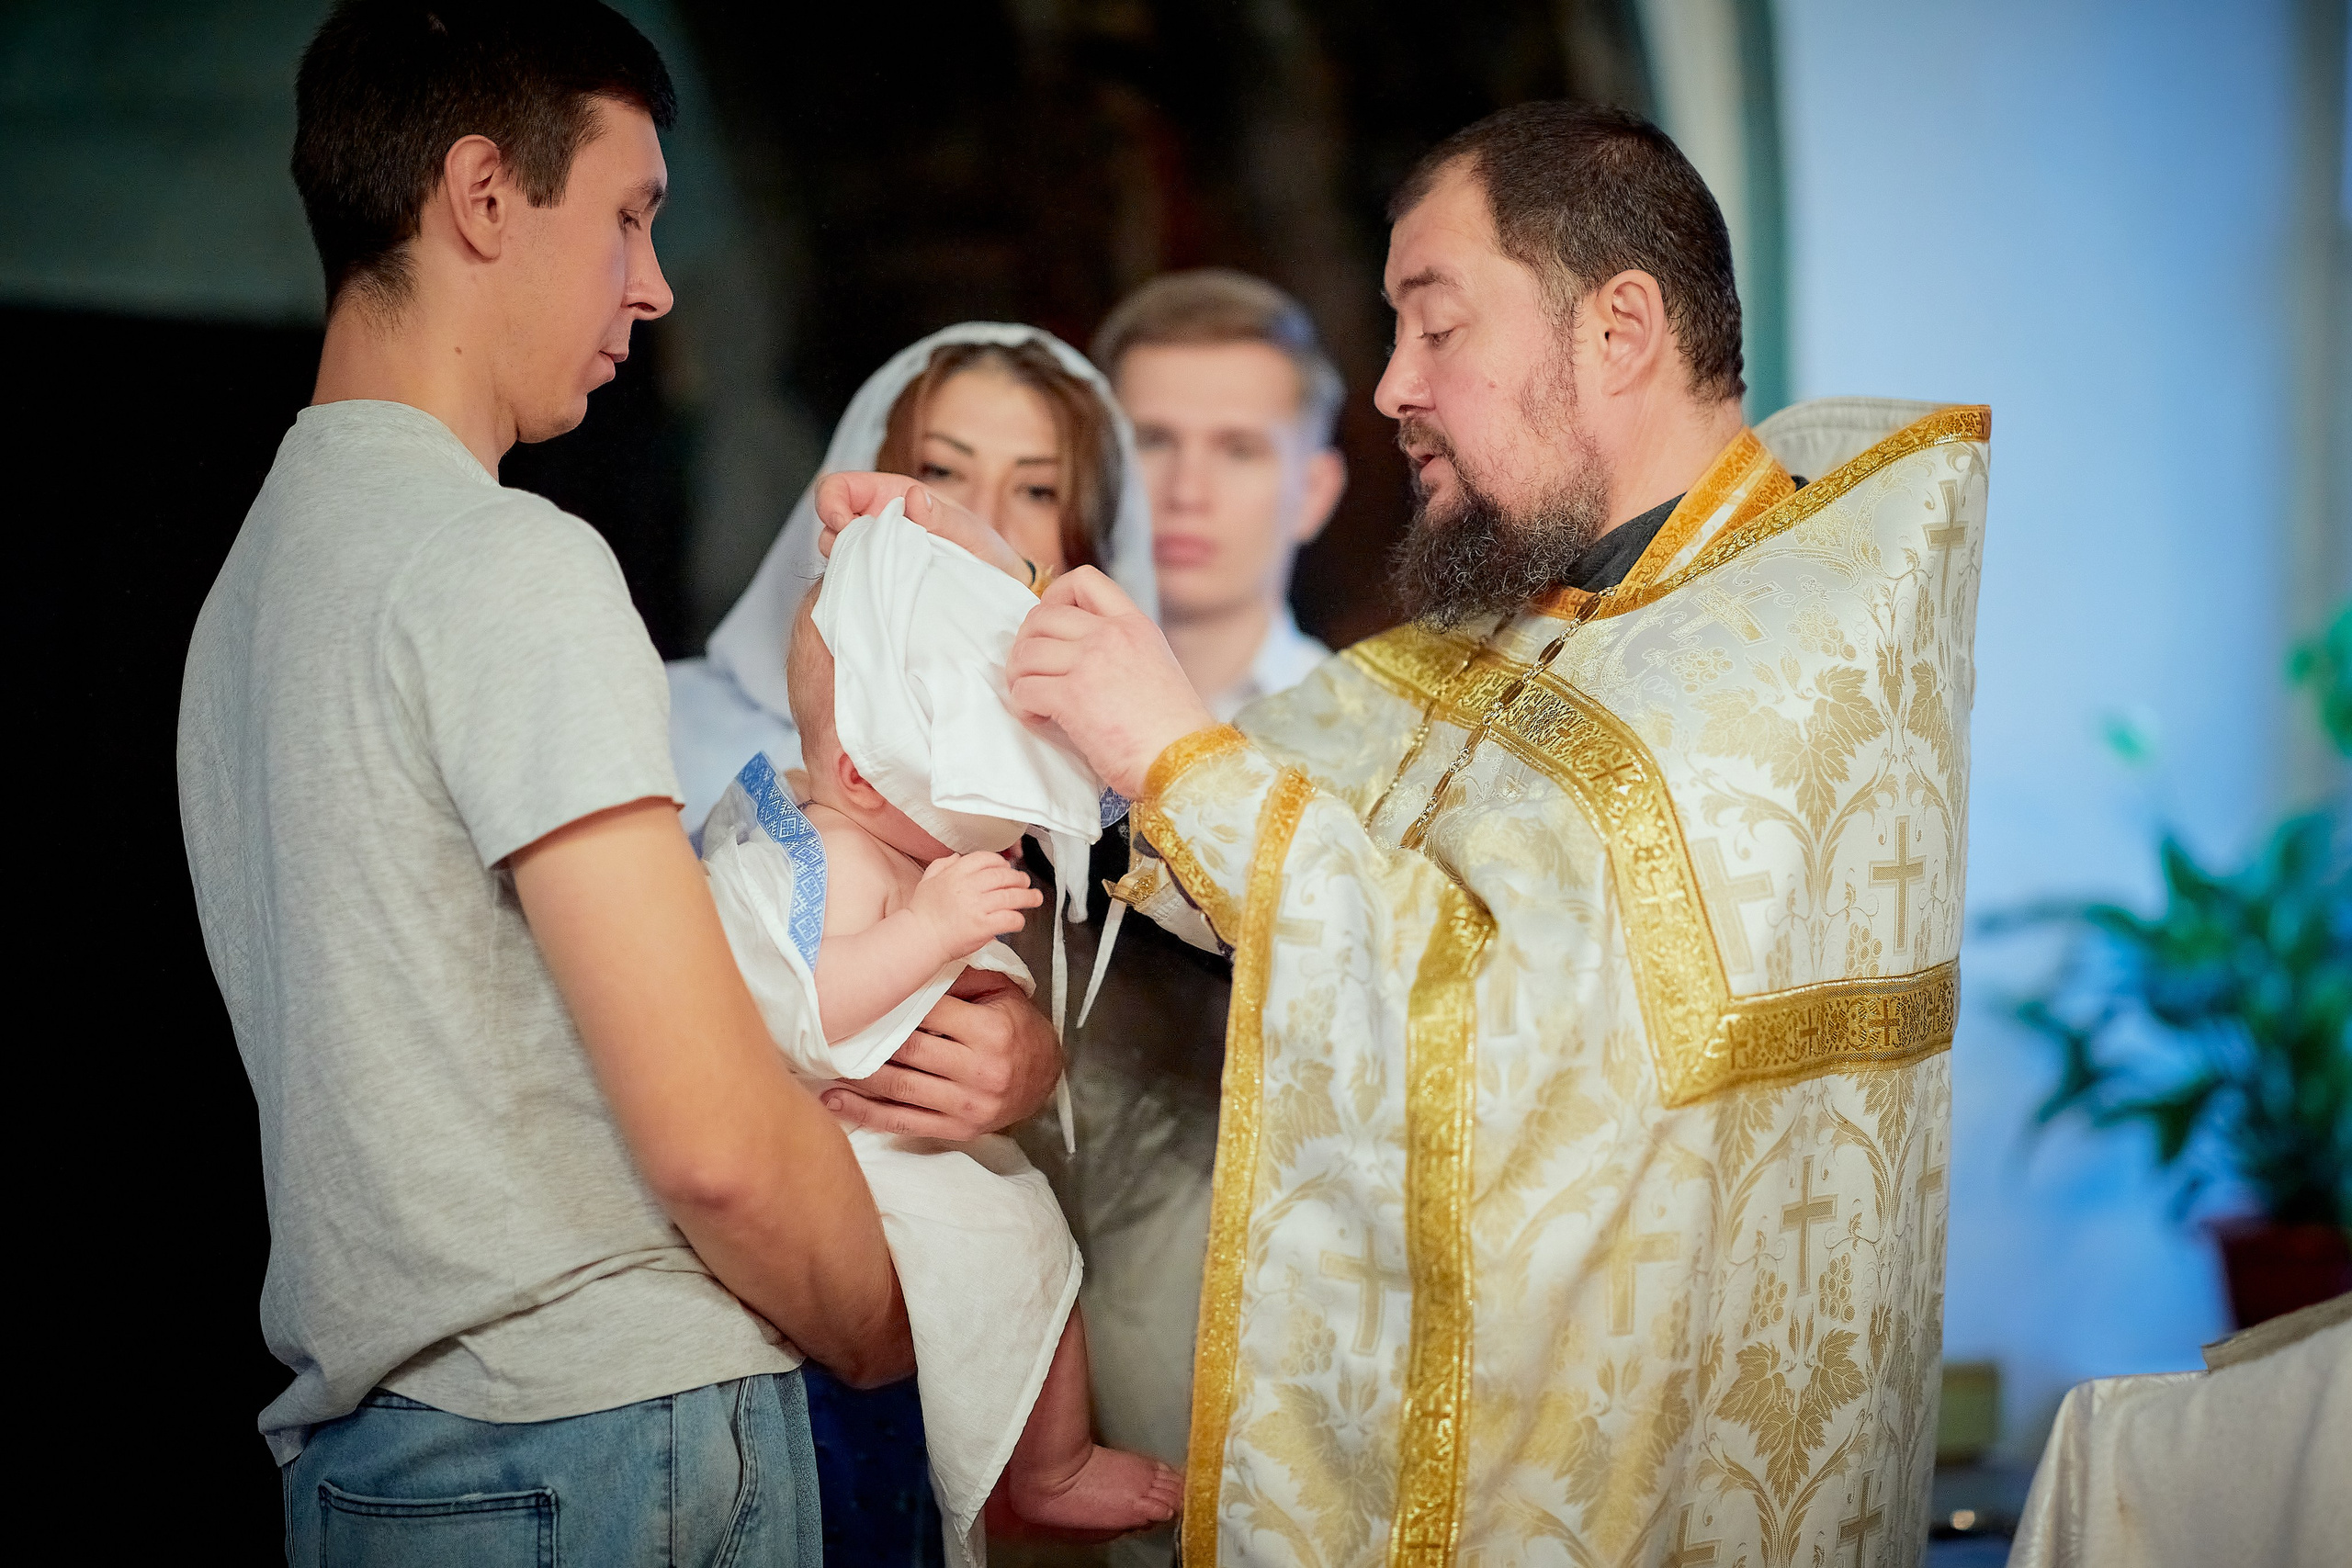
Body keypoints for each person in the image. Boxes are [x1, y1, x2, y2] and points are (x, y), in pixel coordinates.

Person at [824, 101, 1988, 1565]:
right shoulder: (1540, 625)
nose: (1390, 386)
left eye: (1435, 328)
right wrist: (986, 603)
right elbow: (1238, 822)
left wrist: (1173, 752)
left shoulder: (1772, 665)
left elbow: (1518, 1036)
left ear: (1619, 329)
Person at [175, 5, 1057, 1561]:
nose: (654, 286)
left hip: (383, 1460)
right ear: (484, 198)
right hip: (609, 1438)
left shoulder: (248, 592)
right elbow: (712, 1133)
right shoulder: (506, 558)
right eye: (631, 216)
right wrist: (896, 1327)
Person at [700, 559, 1182, 1564]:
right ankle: (1044, 1469)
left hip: (887, 1142)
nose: (1004, 836)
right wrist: (924, 931)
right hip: (842, 1157)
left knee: (1027, 1230)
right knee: (1014, 1236)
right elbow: (804, 1006)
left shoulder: (873, 836)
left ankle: (1030, 1463)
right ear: (866, 780)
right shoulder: (831, 857)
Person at [668, 322, 1156, 833]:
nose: (984, 519)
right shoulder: (670, 723)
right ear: (870, 475)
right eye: (942, 471)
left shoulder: (1110, 775)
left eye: (1037, 490)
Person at [1092, 270, 1346, 722]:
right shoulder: (1007, 712)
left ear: (1313, 493)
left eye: (1239, 451)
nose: (1186, 492)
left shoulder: (1379, 751)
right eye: (1152, 441)